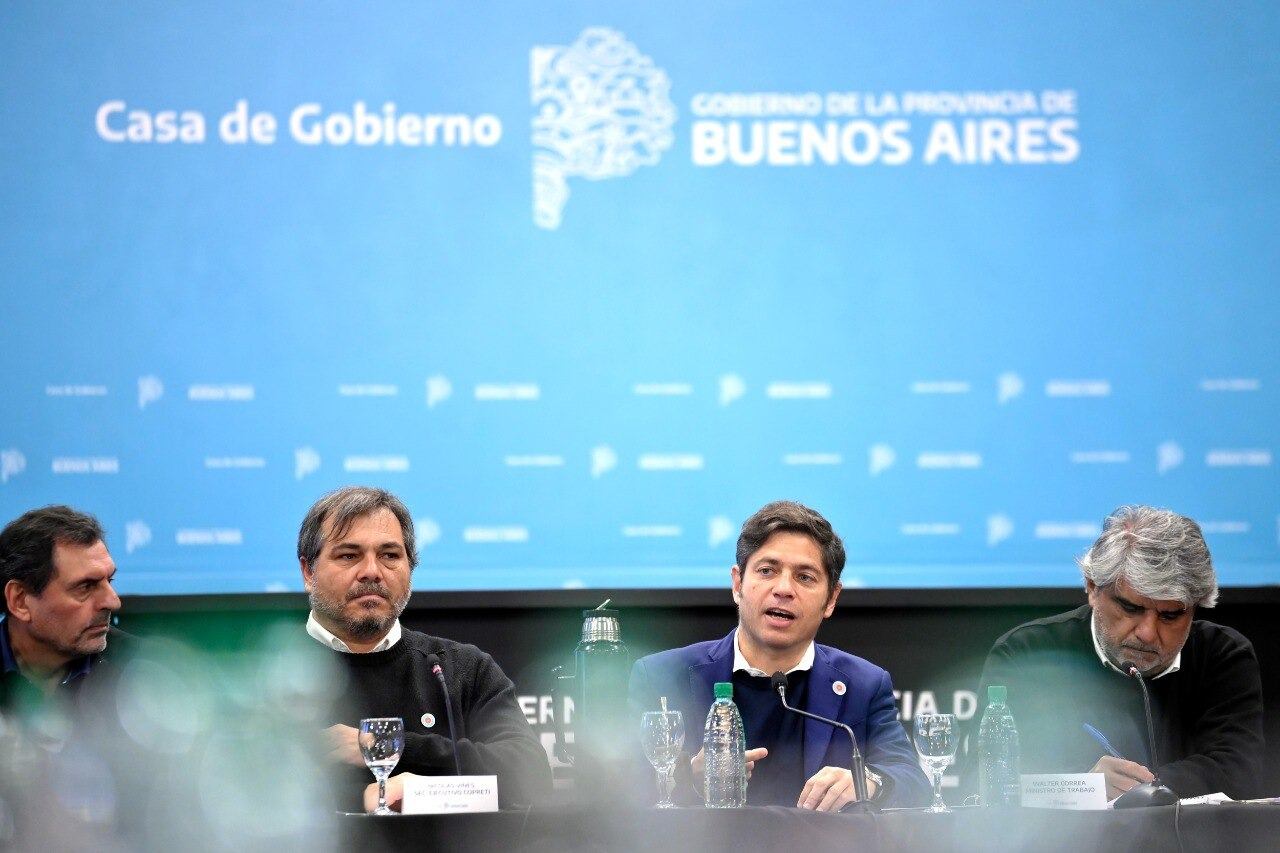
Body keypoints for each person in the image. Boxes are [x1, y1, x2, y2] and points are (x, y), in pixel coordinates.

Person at [628, 501, 931, 810]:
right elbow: (618, 790)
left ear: (831, 599)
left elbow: (913, 781)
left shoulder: (863, 685)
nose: (783, 589)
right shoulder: (663, 676)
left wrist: (870, 782)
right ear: (737, 584)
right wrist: (687, 776)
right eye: (767, 570)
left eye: (805, 577)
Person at [974, 505, 1264, 800]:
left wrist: (1146, 789)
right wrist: (1085, 786)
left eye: (1170, 615)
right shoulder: (1027, 654)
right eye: (1131, 607)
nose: (1148, 632)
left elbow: (1239, 770)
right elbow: (994, 775)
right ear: (1092, 588)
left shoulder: (1223, 655)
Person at [296, 486, 551, 810]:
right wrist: (360, 798)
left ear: (410, 568)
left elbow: (531, 775)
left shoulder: (460, 670)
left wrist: (388, 749)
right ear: (308, 571)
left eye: (389, 555)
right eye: (349, 555)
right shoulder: (268, 674)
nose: (372, 572)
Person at [0, 505, 124, 715]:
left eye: (109, 580)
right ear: (19, 600)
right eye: (86, 586)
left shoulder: (143, 674)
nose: (113, 601)